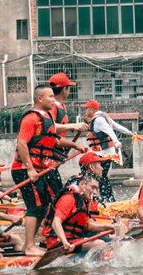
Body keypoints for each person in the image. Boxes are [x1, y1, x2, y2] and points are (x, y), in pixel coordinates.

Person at [11, 84, 87, 257]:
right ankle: (29, 246)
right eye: (50, 97)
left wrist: (75, 145)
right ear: (40, 99)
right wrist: (29, 169)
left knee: (44, 205)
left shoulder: (47, 118)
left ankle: (29, 246)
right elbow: (21, 143)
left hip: (40, 169)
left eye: (54, 96)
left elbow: (55, 141)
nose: (54, 100)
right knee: (35, 206)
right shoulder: (31, 118)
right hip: (25, 169)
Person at [42, 173, 114, 253]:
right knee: (100, 243)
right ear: (82, 184)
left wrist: (108, 227)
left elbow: (88, 225)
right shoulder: (69, 198)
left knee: (108, 240)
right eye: (92, 187)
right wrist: (65, 242)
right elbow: (56, 222)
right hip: (58, 242)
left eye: (96, 189)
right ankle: (99, 264)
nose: (95, 192)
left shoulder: (82, 200)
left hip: (72, 239)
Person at [82, 99, 134, 203]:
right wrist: (129, 132)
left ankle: (105, 200)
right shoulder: (103, 116)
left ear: (92, 110)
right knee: (102, 177)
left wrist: (117, 142)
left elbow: (110, 131)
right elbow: (116, 126)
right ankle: (109, 199)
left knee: (98, 177)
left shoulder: (98, 120)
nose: (85, 110)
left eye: (86, 108)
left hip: (103, 154)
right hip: (106, 153)